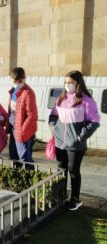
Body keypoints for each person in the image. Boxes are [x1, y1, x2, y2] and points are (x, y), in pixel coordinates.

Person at [49, 70, 100, 210]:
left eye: (71, 82)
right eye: (66, 82)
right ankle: (60, 195)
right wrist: (53, 127)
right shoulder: (60, 99)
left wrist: (80, 136)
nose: (68, 85)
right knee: (61, 169)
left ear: (78, 83)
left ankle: (75, 199)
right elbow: (53, 115)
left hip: (76, 144)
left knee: (73, 170)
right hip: (60, 142)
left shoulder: (86, 101)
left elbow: (94, 121)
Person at [7, 67, 38, 170]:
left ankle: (29, 181)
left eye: (19, 80)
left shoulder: (28, 93)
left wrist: (22, 130)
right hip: (13, 127)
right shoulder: (13, 91)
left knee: (24, 157)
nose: (17, 83)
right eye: (14, 80)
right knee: (14, 155)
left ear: (24, 78)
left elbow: (32, 116)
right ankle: (17, 179)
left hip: (23, 131)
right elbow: (11, 110)